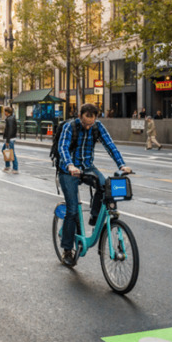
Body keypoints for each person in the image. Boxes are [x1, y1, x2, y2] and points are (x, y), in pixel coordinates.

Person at [56, 103, 132, 266]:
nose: (89, 127)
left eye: (91, 123)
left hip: (87, 167)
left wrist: (121, 165)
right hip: (68, 170)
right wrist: (70, 165)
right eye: (85, 124)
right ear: (80, 116)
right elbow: (62, 148)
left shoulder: (98, 127)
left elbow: (110, 146)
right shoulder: (70, 127)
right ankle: (67, 250)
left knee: (105, 185)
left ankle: (95, 215)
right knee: (72, 209)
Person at [1, 106, 19, 174]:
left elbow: (10, 130)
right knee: (5, 151)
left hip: (10, 139)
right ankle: (7, 166)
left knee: (11, 152)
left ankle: (15, 168)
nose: (4, 113)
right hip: (10, 138)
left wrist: (7, 140)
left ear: (7, 112)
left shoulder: (10, 119)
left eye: (5, 111)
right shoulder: (10, 118)